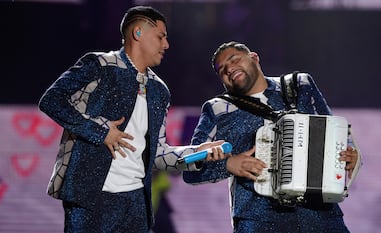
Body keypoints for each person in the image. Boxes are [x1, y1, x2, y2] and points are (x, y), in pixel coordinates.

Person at [39, 6, 226, 233]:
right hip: (90, 198)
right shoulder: (99, 65)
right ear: (137, 33)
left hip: (136, 205)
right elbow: (52, 100)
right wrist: (100, 131)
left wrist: (198, 152)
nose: (166, 45)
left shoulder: (159, 89)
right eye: (160, 36)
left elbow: (158, 154)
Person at [183, 41, 361, 233]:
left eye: (234, 60)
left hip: (322, 217)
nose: (229, 68)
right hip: (259, 222)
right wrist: (228, 164)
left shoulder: (300, 85)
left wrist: (351, 156)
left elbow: (337, 133)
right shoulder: (217, 109)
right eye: (222, 69)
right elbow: (191, 169)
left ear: (254, 58)